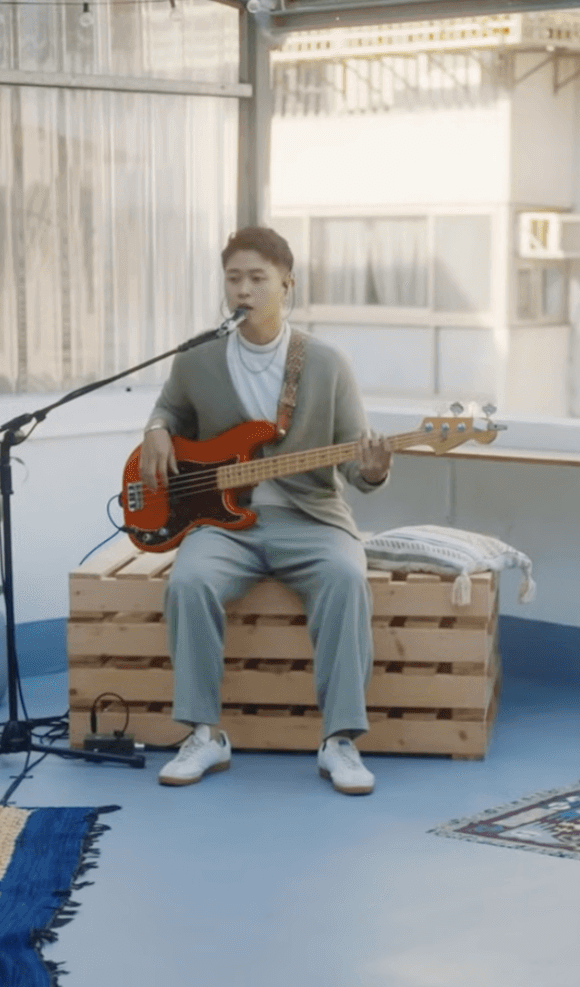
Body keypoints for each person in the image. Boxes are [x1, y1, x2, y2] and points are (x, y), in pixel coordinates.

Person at [141, 227, 393, 795]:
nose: (243, 290)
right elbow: (168, 409)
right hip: (223, 527)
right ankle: (204, 735)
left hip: (311, 518)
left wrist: (374, 470)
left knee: (347, 578)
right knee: (188, 582)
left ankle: (340, 741)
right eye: (233, 278)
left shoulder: (327, 364)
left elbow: (356, 465)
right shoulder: (197, 359)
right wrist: (156, 427)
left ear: (287, 285)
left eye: (258, 278)